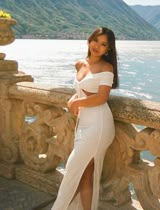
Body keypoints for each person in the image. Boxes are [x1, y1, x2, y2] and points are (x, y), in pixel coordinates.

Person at [52, 27, 119, 210]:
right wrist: (75, 97)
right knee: (85, 173)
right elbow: (83, 87)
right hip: (83, 124)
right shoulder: (80, 64)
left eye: (103, 44)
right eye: (95, 40)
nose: (97, 46)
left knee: (72, 171)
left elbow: (101, 97)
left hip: (99, 126)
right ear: (89, 40)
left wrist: (77, 103)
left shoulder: (107, 67)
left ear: (108, 49)